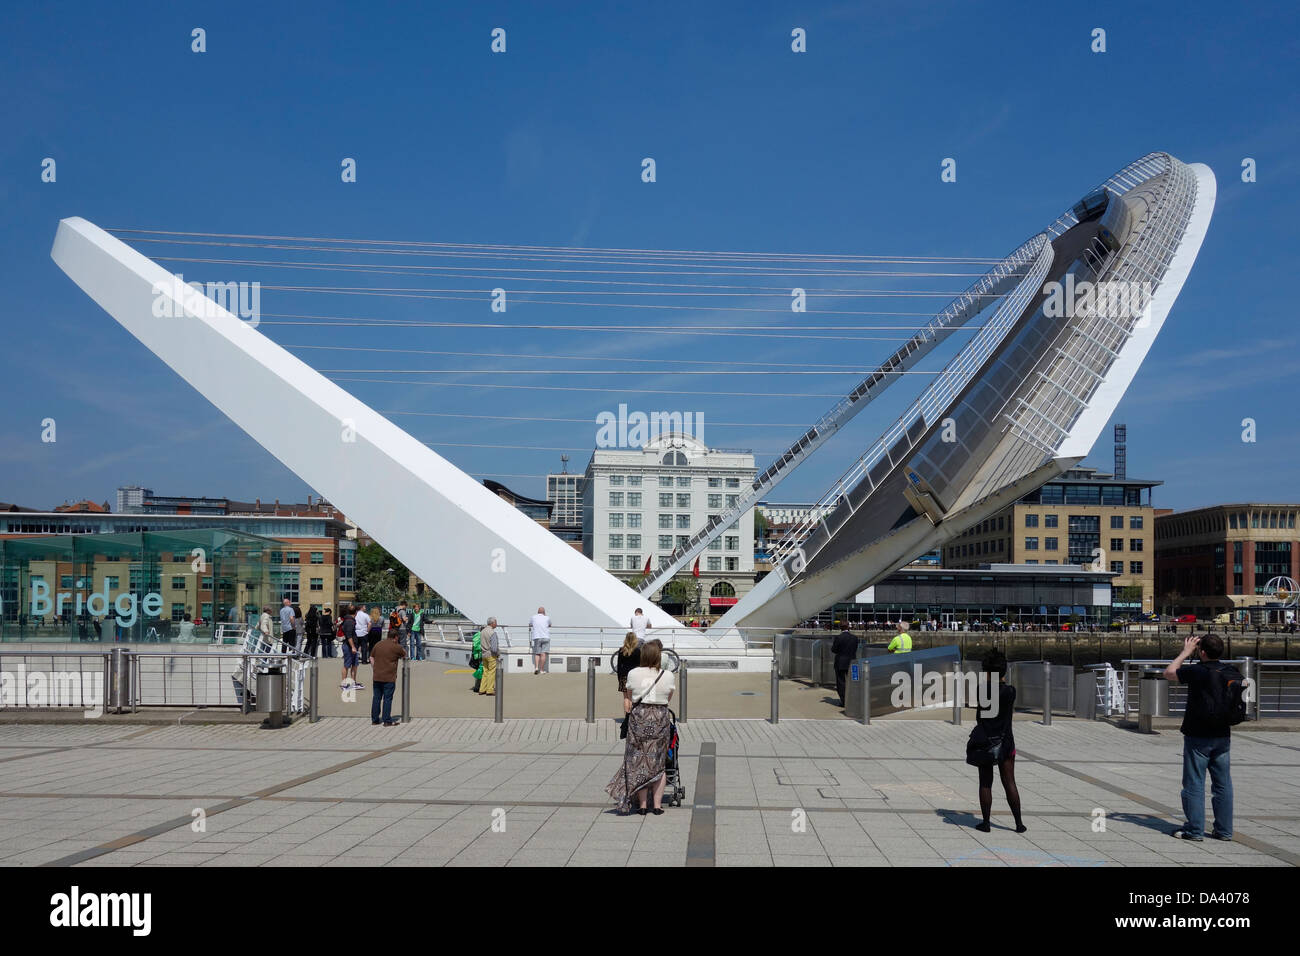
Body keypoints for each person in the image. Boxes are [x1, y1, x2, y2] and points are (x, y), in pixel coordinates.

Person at [1164, 633, 1239, 841]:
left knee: (1194, 783)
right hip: (1223, 733)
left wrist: (1186, 652)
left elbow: (1169, 672)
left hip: (1198, 734)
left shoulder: (1197, 671)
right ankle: (1224, 831)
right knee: (1223, 784)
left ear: (1202, 652)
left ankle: (1194, 830)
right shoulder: (1230, 671)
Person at [606, 639, 676, 815]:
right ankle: (658, 805)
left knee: (638, 760)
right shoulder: (668, 675)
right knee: (658, 762)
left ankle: (643, 805)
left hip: (639, 719)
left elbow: (629, 697)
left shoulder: (633, 673)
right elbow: (668, 699)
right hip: (659, 718)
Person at [968, 648, 1025, 833]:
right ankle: (1018, 823)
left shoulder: (981, 690)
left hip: (986, 741)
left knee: (985, 782)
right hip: (1006, 741)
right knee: (1009, 782)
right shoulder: (1010, 691)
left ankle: (985, 822)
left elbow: (979, 717)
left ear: (986, 672)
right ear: (1004, 671)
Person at [369, 623, 408, 726]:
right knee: (387, 698)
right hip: (389, 677)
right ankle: (387, 720)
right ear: (396, 637)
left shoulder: (378, 644)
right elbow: (405, 655)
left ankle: (375, 719)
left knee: (376, 697)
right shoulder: (396, 647)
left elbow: (371, 657)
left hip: (377, 676)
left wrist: (375, 667)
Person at [831, 626, 858, 707]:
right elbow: (855, 649)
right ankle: (853, 700)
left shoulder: (839, 638)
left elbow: (834, 650)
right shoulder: (854, 638)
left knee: (841, 683)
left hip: (840, 662)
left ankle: (844, 701)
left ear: (840, 628)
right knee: (853, 682)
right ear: (848, 628)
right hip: (852, 662)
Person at [340, 605, 363, 689]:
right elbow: (349, 635)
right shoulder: (350, 621)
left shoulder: (348, 620)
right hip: (349, 646)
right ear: (356, 612)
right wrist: (353, 647)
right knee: (347, 665)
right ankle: (344, 683)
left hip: (351, 646)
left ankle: (353, 682)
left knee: (354, 664)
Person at [478, 617, 501, 695]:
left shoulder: (482, 631)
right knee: (491, 672)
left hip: (483, 654)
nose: (496, 624)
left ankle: (482, 689)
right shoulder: (492, 633)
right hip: (491, 655)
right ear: (492, 623)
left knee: (485, 672)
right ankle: (490, 690)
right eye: (496, 622)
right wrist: (498, 654)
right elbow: (494, 648)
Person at [530, 605, 552, 674]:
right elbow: (550, 625)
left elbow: (530, 624)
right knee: (543, 654)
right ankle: (542, 670)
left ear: (537, 612)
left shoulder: (533, 617)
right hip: (546, 637)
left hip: (537, 637)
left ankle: (536, 668)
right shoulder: (547, 617)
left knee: (537, 653)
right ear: (544, 612)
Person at [470, 627, 484, 693]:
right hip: (480, 655)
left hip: (476, 655)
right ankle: (478, 687)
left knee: (479, 670)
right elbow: (478, 647)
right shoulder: (480, 635)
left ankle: (477, 686)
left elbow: (474, 646)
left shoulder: (476, 635)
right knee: (480, 671)